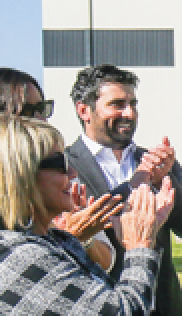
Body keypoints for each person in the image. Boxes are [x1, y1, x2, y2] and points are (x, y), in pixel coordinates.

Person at [0, 116, 173, 316]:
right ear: (21, 175)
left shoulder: (56, 242)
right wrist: (139, 246)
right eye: (60, 165)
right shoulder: (18, 258)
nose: (72, 174)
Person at [65, 64, 182, 316]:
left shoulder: (157, 162)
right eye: (117, 104)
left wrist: (165, 178)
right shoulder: (63, 165)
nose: (129, 113)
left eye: (133, 104)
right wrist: (141, 180)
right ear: (84, 110)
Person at [0, 67, 120, 271]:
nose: (41, 119)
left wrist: (84, 239)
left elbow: (107, 260)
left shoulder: (59, 176)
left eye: (43, 108)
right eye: (28, 111)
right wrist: (68, 237)